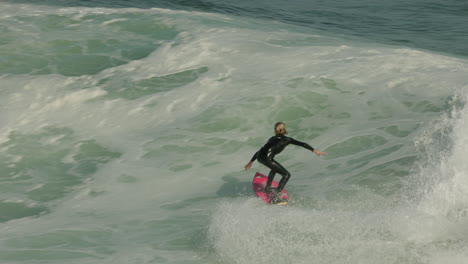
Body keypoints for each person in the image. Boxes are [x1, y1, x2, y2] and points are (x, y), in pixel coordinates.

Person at [244, 122, 326, 196]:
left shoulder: (272, 138)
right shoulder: (287, 140)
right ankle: (277, 192)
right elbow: (303, 144)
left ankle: (267, 188)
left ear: (275, 130)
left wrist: (251, 162)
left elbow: (261, 150)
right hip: (266, 158)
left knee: (274, 169)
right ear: (284, 130)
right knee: (286, 175)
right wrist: (315, 151)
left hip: (259, 156)